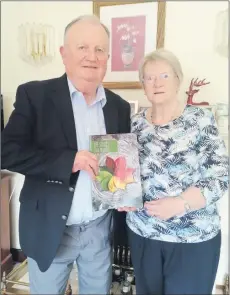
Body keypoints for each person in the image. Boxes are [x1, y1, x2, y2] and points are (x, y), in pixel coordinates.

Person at [1, 15, 130, 294]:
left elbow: (118, 165)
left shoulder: (119, 107)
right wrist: (67, 161)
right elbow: (6, 152)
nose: (91, 57)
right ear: (63, 54)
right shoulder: (34, 95)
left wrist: (125, 191)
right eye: (82, 47)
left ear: (107, 57)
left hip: (99, 229)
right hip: (50, 229)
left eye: (99, 50)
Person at [120, 49, 229, 294]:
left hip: (192, 238)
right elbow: (126, 174)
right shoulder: (134, 124)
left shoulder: (201, 119)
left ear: (178, 80)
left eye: (164, 76)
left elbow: (221, 176)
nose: (156, 82)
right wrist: (123, 196)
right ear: (143, 85)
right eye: (149, 78)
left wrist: (181, 202)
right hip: (143, 234)